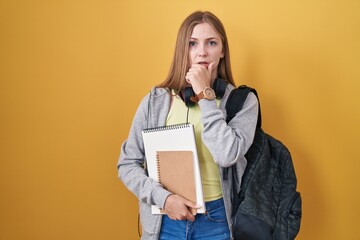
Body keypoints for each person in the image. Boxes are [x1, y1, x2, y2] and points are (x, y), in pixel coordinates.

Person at [118, 11, 258, 240]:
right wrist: (164, 199)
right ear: (183, 50)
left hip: (219, 221)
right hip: (166, 221)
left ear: (222, 50)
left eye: (211, 43)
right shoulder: (156, 101)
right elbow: (126, 164)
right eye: (192, 43)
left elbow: (226, 155)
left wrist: (205, 96)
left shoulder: (242, 102)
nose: (202, 51)